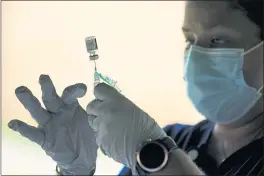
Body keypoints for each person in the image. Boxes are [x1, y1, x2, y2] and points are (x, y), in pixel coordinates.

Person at [8, 0, 263, 175]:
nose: (196, 57)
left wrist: (157, 156)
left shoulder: (155, 150)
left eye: (218, 39)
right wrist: (77, 170)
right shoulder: (177, 139)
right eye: (189, 40)